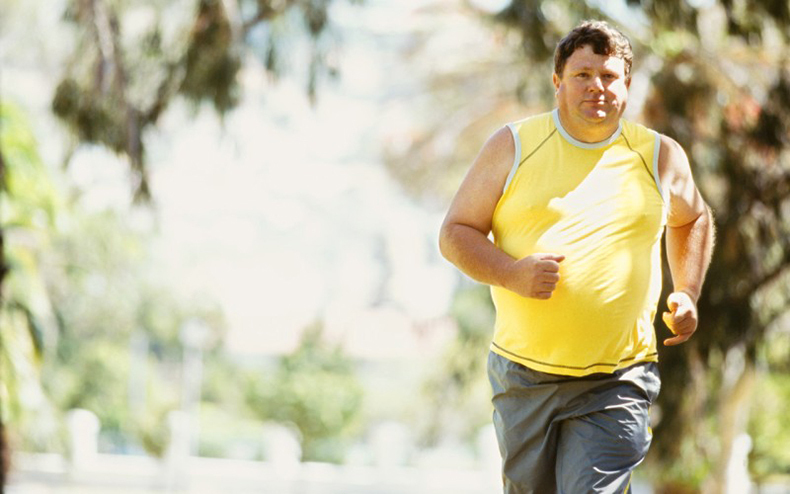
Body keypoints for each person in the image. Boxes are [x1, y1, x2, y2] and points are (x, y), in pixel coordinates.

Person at [438, 20, 714, 494]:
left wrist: (686, 290)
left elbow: (693, 218)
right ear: (557, 82)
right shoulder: (513, 145)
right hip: (524, 375)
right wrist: (511, 273)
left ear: (626, 84)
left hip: (618, 379)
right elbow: (455, 233)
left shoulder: (658, 155)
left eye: (610, 76)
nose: (597, 87)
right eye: (583, 74)